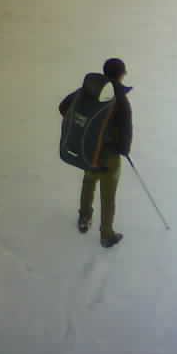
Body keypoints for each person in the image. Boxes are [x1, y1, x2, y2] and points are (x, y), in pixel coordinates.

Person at [59, 58, 133, 248]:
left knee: (89, 181)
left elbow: (63, 107)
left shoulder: (90, 89)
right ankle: (107, 234)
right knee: (108, 195)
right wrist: (123, 150)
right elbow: (125, 131)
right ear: (121, 75)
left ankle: (84, 217)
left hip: (90, 149)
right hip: (109, 155)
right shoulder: (120, 99)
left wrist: (84, 128)